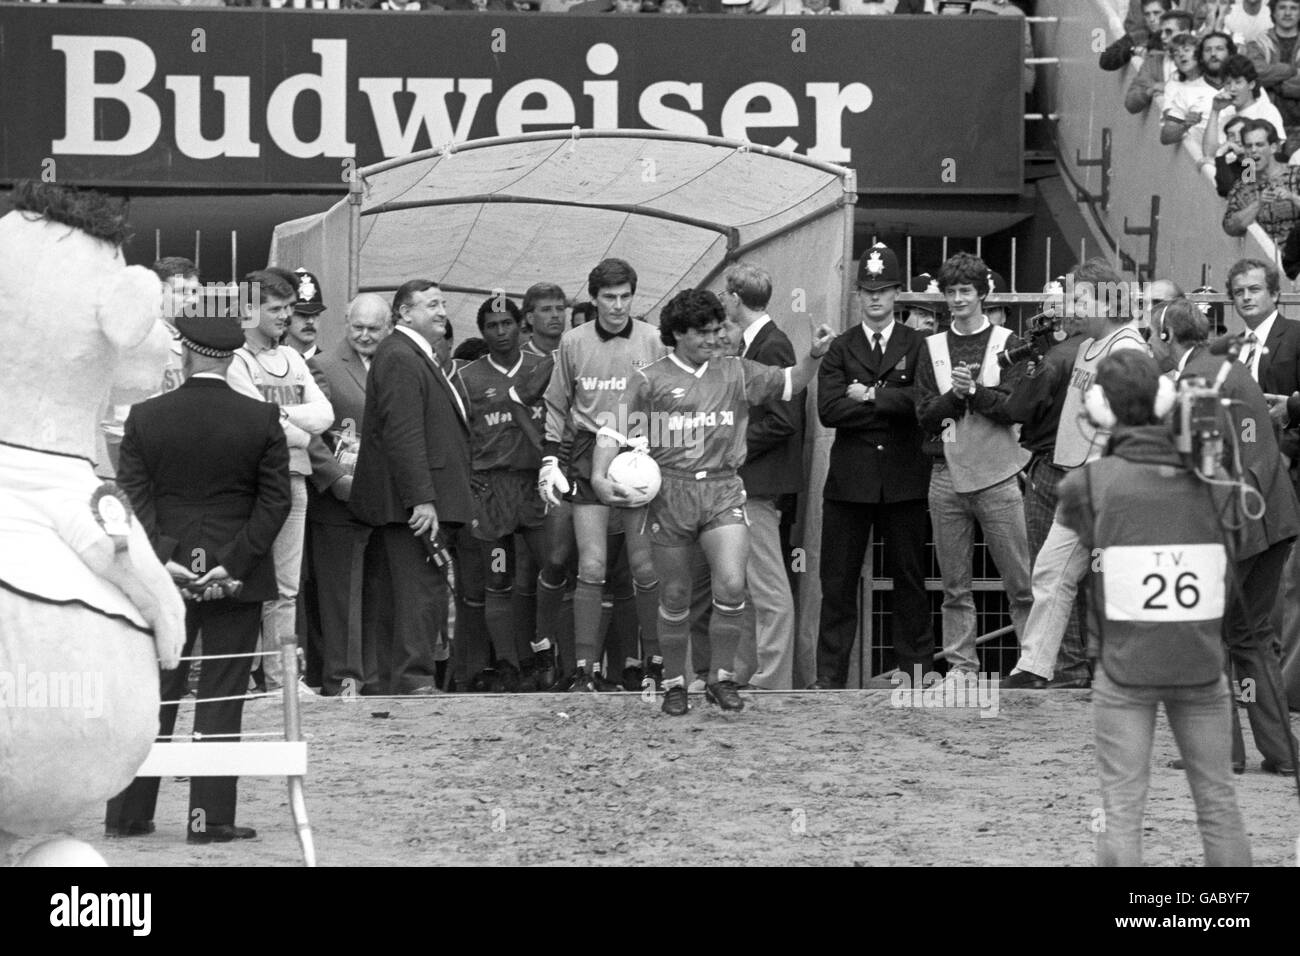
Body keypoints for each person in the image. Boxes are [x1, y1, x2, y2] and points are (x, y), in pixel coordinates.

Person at [591, 288, 835, 715]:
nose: (713, 338)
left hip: (723, 489)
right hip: (670, 494)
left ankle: (721, 678)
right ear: (679, 334)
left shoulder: (737, 372)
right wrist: (598, 475)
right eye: (702, 332)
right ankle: (673, 682)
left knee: (732, 583)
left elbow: (792, 382)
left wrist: (814, 355)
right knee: (676, 593)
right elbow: (611, 431)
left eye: (717, 329)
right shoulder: (649, 379)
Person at [105, 311, 292, 845]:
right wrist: (232, 563)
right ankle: (207, 821)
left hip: (164, 577)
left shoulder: (145, 416)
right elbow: (274, 502)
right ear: (233, 357)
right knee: (221, 694)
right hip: (236, 576)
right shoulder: (262, 420)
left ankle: (128, 816)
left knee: (155, 694)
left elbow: (131, 498)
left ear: (185, 354)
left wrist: (164, 558)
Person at [1061, 349, 1250, 867]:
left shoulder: (1087, 484)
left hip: (1125, 671)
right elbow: (1237, 530)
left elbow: (1082, 521)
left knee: (1122, 809)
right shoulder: (1212, 478)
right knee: (1218, 803)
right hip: (1201, 666)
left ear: (1100, 408)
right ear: (1167, 401)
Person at [1149, 295, 1300, 774]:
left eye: (1156, 333)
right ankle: (1280, 753)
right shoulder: (1227, 368)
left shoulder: (1197, 380)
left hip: (1237, 524)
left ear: (1169, 336)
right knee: (1251, 637)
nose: (1153, 342)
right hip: (1273, 517)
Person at [1004, 259, 1151, 687]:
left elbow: (1131, 424)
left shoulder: (1127, 348)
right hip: (1078, 481)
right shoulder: (1089, 345)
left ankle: (1145, 673)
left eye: (1080, 297)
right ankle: (1033, 667)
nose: (1071, 305)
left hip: (1111, 485)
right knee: (1051, 571)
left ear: (1106, 299)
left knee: (1123, 584)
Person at [539, 259, 666, 691]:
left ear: (634, 295)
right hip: (587, 450)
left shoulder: (653, 340)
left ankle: (656, 662)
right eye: (608, 297)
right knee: (591, 565)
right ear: (593, 298)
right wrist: (550, 459)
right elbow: (558, 404)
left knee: (643, 565)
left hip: (638, 451)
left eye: (625, 296)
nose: (617, 305)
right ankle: (584, 670)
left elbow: (667, 400)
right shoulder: (572, 342)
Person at [814, 243, 934, 689]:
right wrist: (890, 406)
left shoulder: (918, 344)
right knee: (838, 582)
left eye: (883, 290)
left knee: (909, 579)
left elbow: (922, 404)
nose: (875, 298)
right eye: (868, 290)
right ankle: (830, 676)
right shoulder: (841, 348)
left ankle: (917, 672)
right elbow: (829, 410)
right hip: (850, 482)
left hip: (904, 479)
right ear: (857, 295)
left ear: (897, 293)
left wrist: (868, 395)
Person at [350, 280, 474, 695]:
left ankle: (397, 678)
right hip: (414, 504)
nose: (442, 311)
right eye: (432, 304)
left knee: (408, 590)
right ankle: (413, 679)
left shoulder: (412, 355)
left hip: (419, 499)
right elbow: (403, 433)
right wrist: (422, 499)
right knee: (418, 590)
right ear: (404, 313)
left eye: (443, 304)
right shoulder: (401, 356)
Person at [915, 252, 1034, 682]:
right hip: (945, 476)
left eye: (966, 291)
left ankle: (1031, 664)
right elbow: (925, 415)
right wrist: (957, 397)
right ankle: (962, 669)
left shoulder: (1009, 340)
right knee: (954, 587)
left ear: (983, 294)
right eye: (951, 292)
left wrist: (974, 393)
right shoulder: (930, 347)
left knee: (1021, 582)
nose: (958, 299)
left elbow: (1015, 408)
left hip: (999, 474)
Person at [227, 268, 333, 693]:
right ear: (248, 311)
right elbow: (256, 422)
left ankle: (281, 682)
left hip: (294, 479)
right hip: (251, 483)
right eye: (276, 308)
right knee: (243, 580)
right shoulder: (234, 359)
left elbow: (324, 415)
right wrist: (298, 426)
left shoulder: (290, 358)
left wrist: (286, 420)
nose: (286, 317)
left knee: (286, 587)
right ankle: (235, 679)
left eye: (289, 308)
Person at [459, 295, 556, 690]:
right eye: (492, 326)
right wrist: (467, 475)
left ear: (521, 326)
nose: (500, 332)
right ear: (482, 332)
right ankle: (506, 665)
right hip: (493, 493)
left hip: (534, 489)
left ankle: (545, 655)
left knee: (552, 566)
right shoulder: (467, 378)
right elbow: (454, 434)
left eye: (507, 324)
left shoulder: (543, 369)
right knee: (498, 576)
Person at [1001, 282, 1093, 688]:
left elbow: (1016, 407)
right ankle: (1074, 668)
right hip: (1090, 468)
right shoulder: (1097, 348)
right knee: (1078, 577)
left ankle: (1064, 670)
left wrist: (1032, 363)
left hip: (1054, 467)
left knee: (1052, 574)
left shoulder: (1058, 356)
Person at [1221, 258, 1300, 713]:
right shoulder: (1227, 350)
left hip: (1289, 478)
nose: (1247, 297)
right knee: (1252, 608)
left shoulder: (1296, 337)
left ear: (1274, 292)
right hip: (1243, 489)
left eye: (1255, 289)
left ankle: (1285, 693)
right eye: (1239, 292)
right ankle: (1255, 697)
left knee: (1287, 590)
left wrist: (1285, 450)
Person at [303, 293, 392, 697]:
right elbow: (312, 435)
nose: (365, 335)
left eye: (374, 329)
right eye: (358, 327)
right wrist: (336, 478)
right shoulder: (320, 367)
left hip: (385, 497)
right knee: (340, 594)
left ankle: (371, 676)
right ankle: (342, 677)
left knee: (375, 590)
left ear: (388, 327)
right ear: (345, 322)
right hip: (337, 499)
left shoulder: (396, 365)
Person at [721, 263, 802, 690]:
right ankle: (749, 673)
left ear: (736, 299)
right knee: (752, 587)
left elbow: (783, 419)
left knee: (768, 588)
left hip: (760, 484)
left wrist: (731, 444)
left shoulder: (771, 347)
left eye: (725, 296)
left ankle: (773, 680)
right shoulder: (760, 344)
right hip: (750, 483)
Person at [1222, 118, 1300, 242]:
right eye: (1248, 146)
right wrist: (1258, 204)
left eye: (1259, 144)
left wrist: (1291, 197)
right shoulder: (1242, 187)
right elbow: (1230, 228)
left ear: (1273, 147)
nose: (1253, 150)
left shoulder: (1296, 175)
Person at [1203, 53, 1287, 159]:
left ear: (1251, 84)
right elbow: (1208, 155)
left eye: (1238, 82)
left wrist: (1241, 152)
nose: (1232, 89)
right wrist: (1215, 111)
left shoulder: (1266, 110)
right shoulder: (1226, 116)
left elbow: (1276, 151)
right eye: (1228, 83)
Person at [1245, 0, 1300, 152]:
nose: (1287, 13)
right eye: (1282, 7)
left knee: (1294, 174)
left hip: (1298, 125)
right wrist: (1292, 70)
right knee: (1255, 172)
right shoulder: (1257, 42)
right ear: (1273, 12)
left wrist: (1277, 85)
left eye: (1293, 8)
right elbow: (1256, 76)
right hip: (1263, 124)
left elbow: (1265, 75)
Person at [1161, 32, 1235, 144]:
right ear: (1200, 56)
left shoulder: (1246, 85)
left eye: (1219, 49)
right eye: (1208, 50)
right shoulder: (1185, 92)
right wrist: (1185, 124)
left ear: (1230, 54)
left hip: (1245, 159)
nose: (1213, 54)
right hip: (1206, 158)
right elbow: (1165, 136)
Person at [1126, 10, 1196, 113]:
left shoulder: (1204, 59)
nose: (1162, 37)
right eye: (1161, 32)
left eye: (1168, 32)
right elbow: (1131, 103)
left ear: (1185, 32)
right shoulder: (1153, 62)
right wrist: (1152, 89)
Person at [1101, 0, 1173, 72]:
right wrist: (1133, 50)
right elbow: (1105, 60)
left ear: (1169, 13)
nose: (1152, 19)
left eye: (1156, 13)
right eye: (1147, 14)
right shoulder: (1141, 35)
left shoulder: (1179, 33)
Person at [284, 268, 325, 360]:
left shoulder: (331, 367)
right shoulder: (271, 364)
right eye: (302, 315)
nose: (310, 321)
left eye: (316, 314)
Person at [521, 282, 568, 357]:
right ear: (530, 318)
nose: (555, 315)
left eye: (560, 309)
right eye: (546, 310)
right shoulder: (517, 360)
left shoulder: (577, 354)